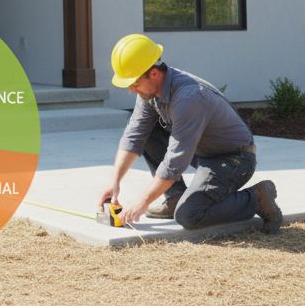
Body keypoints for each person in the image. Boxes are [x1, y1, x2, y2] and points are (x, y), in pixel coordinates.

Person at [97, 33, 283, 233]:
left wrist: (142, 201)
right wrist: (114, 182)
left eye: (134, 83)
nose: (131, 90)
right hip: (203, 152)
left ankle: (257, 197)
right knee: (148, 132)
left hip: (234, 160)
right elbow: (134, 135)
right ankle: (175, 197)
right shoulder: (148, 92)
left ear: (154, 73)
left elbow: (175, 162)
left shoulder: (188, 97)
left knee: (189, 215)